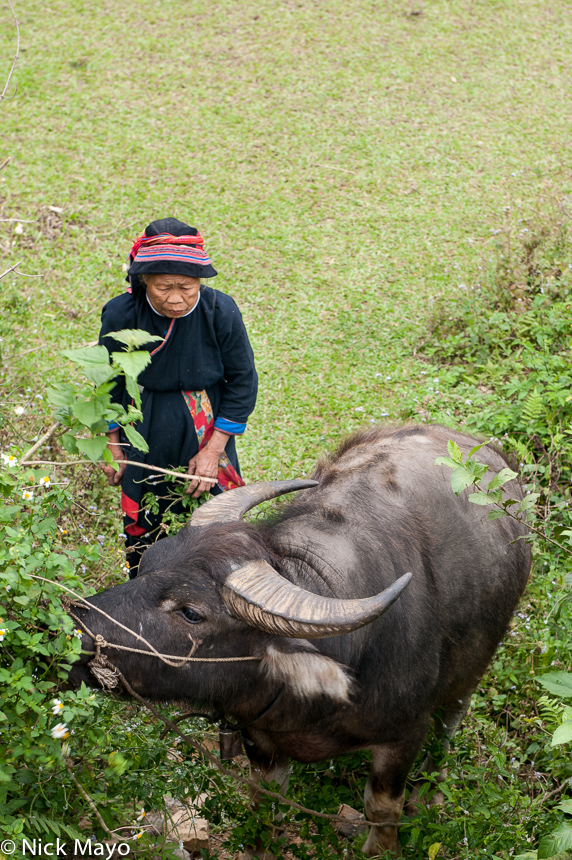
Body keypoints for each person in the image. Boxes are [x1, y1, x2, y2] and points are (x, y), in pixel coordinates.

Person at [99, 218, 258, 577]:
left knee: (214, 523)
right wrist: (112, 445)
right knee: (145, 522)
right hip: (141, 427)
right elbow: (107, 382)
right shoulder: (120, 314)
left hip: (203, 426)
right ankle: (146, 591)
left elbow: (243, 382)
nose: (175, 298)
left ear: (199, 281)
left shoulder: (220, 311)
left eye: (185, 287)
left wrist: (213, 451)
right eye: (163, 287)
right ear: (143, 283)